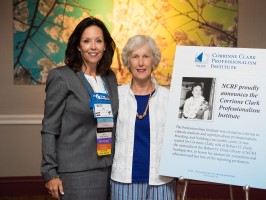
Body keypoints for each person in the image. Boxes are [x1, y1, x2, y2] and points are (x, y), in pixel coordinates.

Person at [41, 17, 118, 200]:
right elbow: (49, 128)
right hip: (76, 172)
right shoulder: (61, 77)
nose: (93, 47)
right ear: (78, 45)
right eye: (87, 41)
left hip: (110, 169)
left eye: (98, 41)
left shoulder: (110, 78)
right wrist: (50, 172)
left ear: (105, 46)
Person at [110, 35, 176, 200]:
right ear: (128, 62)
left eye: (146, 56)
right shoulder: (116, 96)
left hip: (162, 180)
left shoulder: (169, 98)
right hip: (123, 180)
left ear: (153, 61)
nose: (141, 63)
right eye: (135, 56)